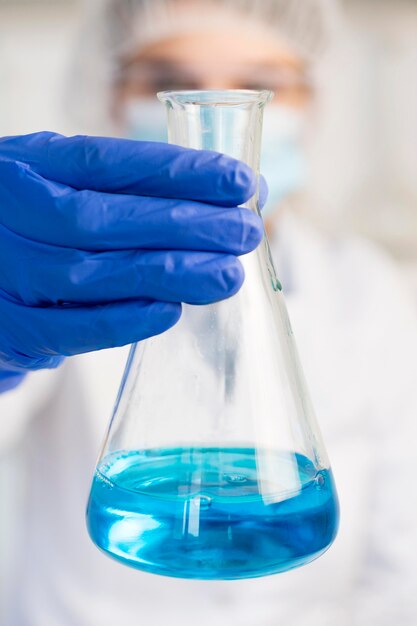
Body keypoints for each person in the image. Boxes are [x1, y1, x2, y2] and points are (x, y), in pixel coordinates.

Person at [1, 0, 417, 624]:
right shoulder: (57, 274)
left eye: (264, 84)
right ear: (108, 98)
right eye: (167, 79)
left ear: (313, 106)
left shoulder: (370, 292)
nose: (212, 106)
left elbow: (402, 568)